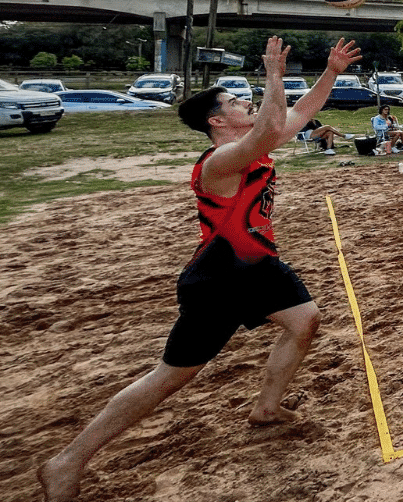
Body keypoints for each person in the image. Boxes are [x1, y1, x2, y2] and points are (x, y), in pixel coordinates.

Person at [37, 37, 362, 502]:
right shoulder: (220, 162)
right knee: (170, 376)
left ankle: (266, 409)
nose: (243, 102)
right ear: (217, 122)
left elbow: (298, 116)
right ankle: (65, 462)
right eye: (233, 102)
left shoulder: (251, 147)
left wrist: (330, 71)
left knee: (304, 319)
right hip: (220, 279)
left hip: (258, 267)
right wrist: (273, 74)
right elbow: (272, 125)